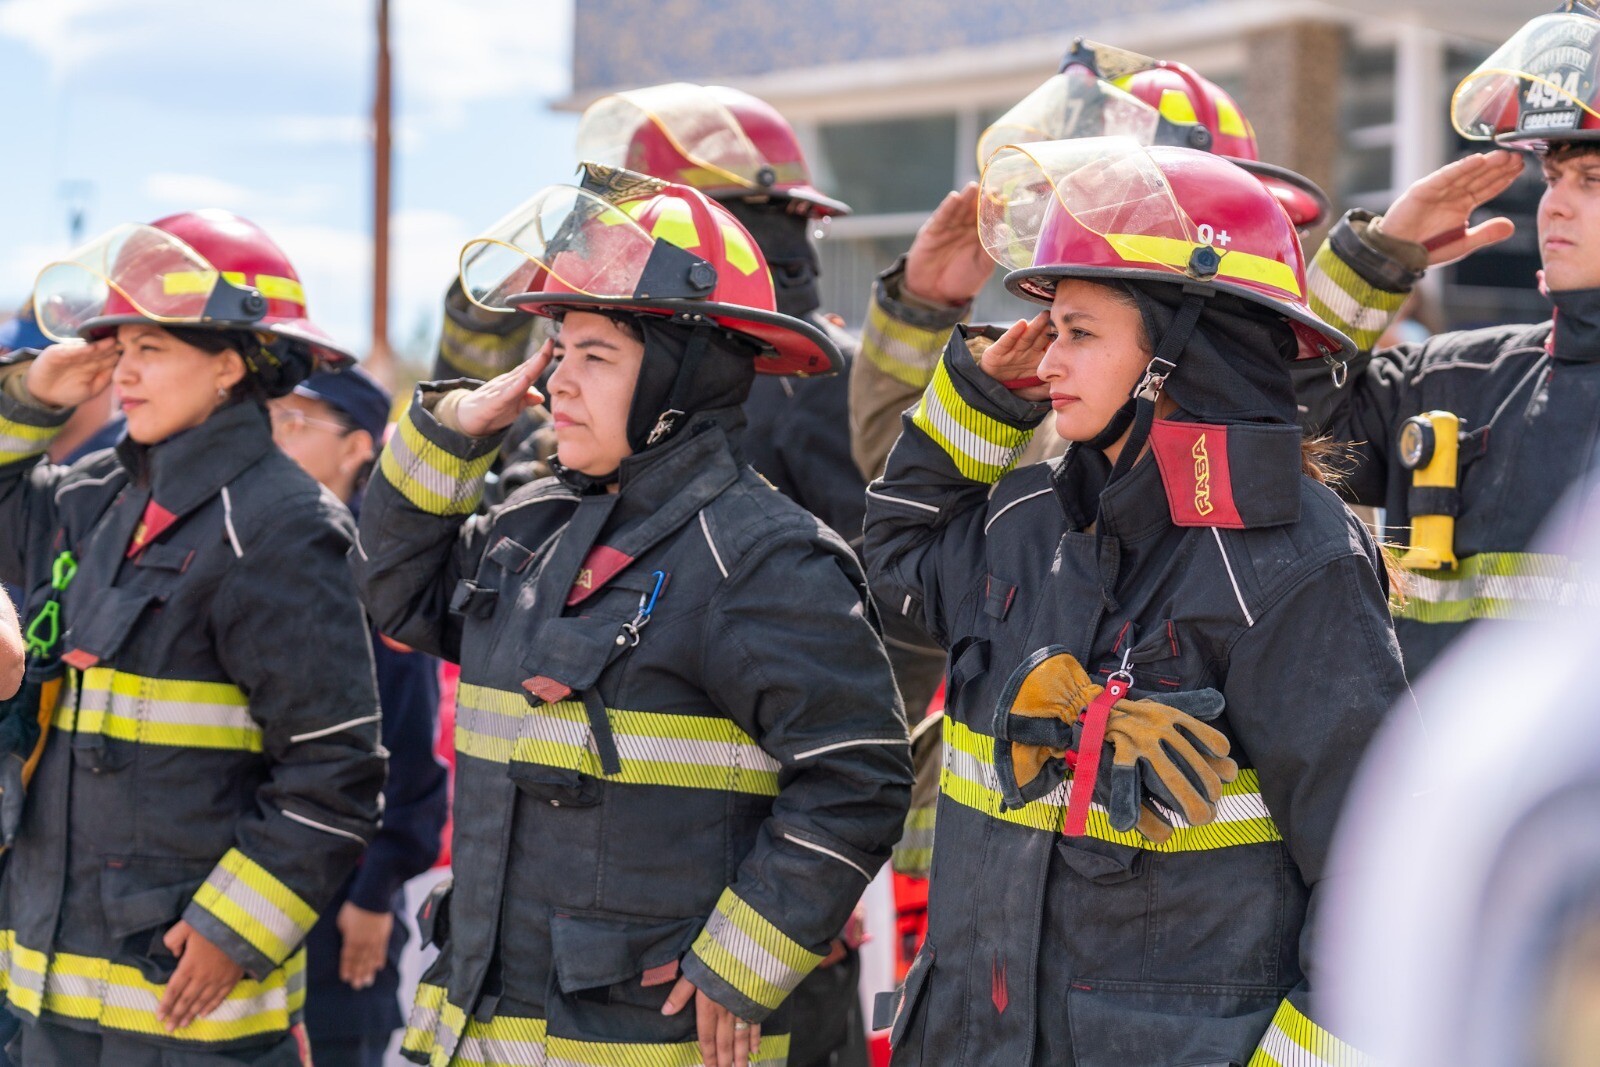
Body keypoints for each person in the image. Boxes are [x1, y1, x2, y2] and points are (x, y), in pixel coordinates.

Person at [864, 138, 1409, 1064]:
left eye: (1081, 332)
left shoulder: (1294, 560)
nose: (1047, 358)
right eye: (1052, 328)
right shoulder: (1031, 515)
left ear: (1178, 358)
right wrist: (974, 406)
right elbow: (898, 560)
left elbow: (1383, 875)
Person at [356, 166, 911, 1067]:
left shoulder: (765, 557)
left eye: (596, 356)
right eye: (559, 351)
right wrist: (450, 432)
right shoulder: (531, 525)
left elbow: (858, 777)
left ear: (679, 380)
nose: (557, 385)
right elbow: (394, 591)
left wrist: (746, 956)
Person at [0, 210, 385, 1066]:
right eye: (120, 347)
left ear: (229, 364)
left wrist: (232, 931)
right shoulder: (93, 492)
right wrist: (27, 397)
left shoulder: (284, 527)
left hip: (187, 1013)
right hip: (49, 997)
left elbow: (335, 773)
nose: (123, 374)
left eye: (153, 350)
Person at [850, 38, 1334, 486]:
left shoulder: (1117, 401)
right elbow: (899, 482)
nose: (1060, 229)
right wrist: (925, 306)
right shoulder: (1060, 378)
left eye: (1088, 201)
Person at [1293, 5, 1600, 679]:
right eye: (1552, 177)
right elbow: (1282, 417)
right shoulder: (1454, 378)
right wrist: (1376, 258)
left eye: (1592, 181)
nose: (1554, 205)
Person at [269, 368, 449, 1067]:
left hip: (346, 902)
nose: (278, 436)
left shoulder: (377, 569)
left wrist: (375, 892)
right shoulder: (265, 546)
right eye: (275, 417)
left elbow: (408, 743)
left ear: (357, 447)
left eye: (299, 423)